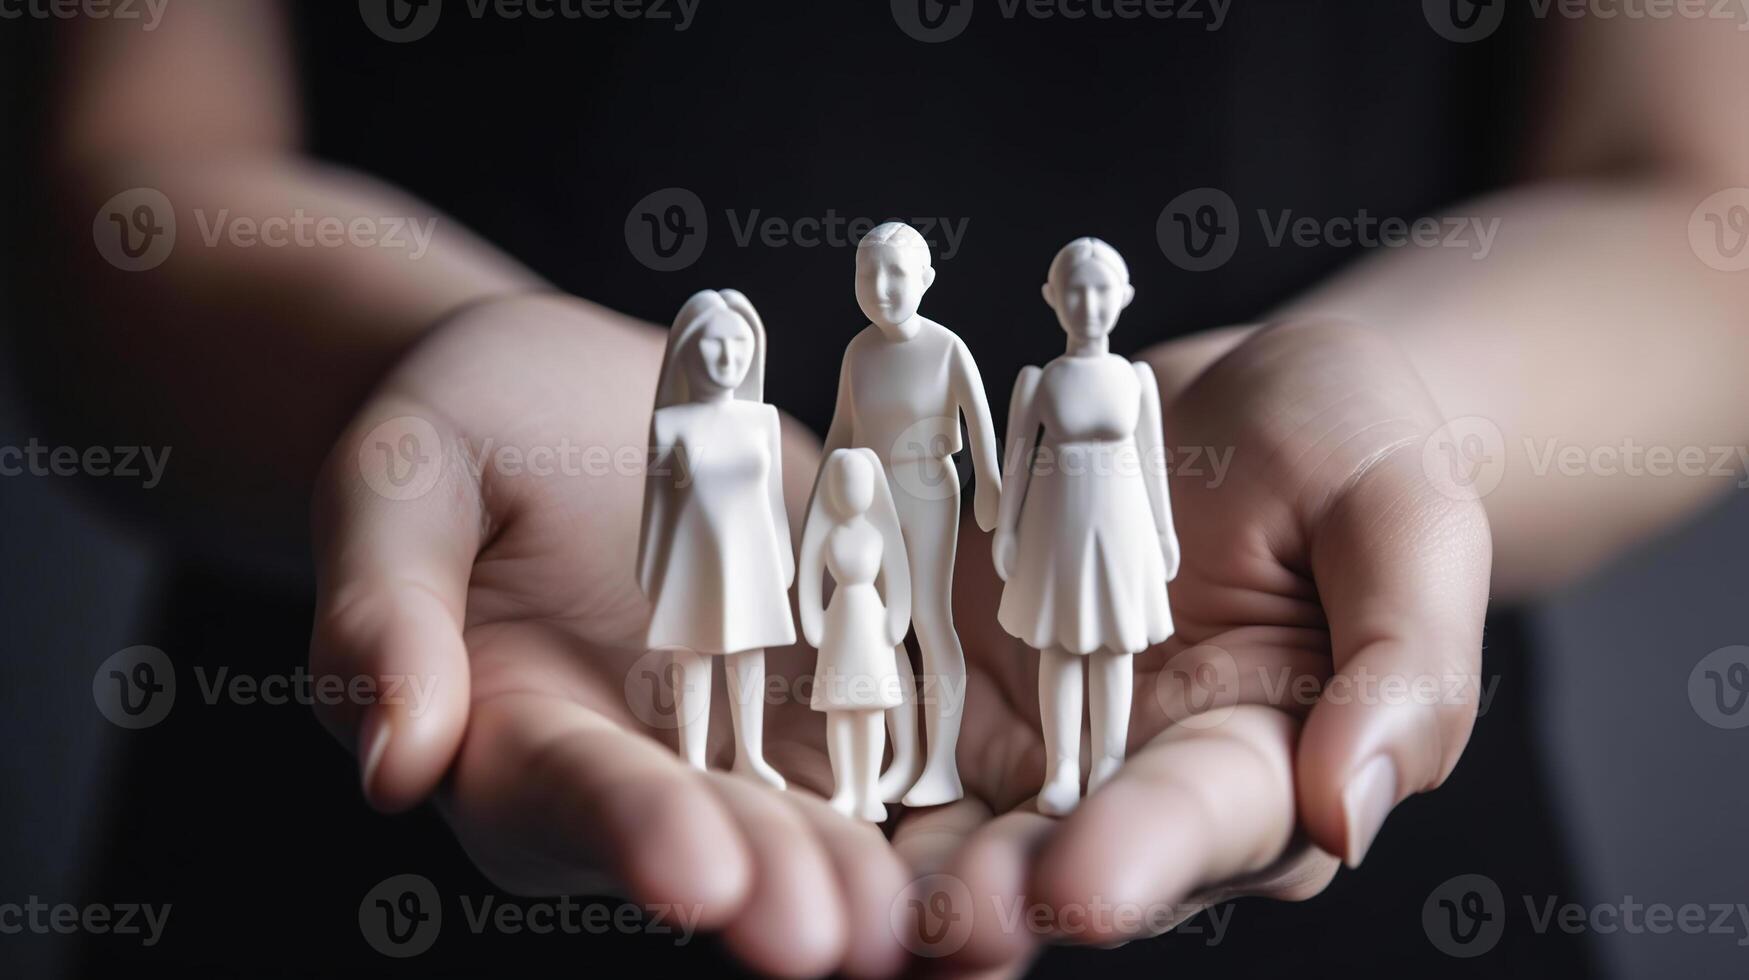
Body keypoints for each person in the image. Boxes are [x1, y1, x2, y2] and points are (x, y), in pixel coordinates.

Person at [18, 3, 1749, 976]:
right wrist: (417, 385)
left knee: (999, 657)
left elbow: (1693, 208)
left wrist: (1405, 418)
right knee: (848, 656)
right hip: (403, 770)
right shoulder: (853, 371)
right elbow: (117, 191)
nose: (942, 302)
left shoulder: (1036, 384)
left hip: (1300, 727)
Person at [818, 221, 1003, 807]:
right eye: (866, 274)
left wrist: (993, 487)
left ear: (924, 280)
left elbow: (980, 421)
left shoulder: (946, 348)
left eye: (895, 273)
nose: (879, 287)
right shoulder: (858, 351)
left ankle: (941, 764)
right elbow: (842, 433)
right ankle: (903, 759)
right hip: (869, 495)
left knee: (926, 616)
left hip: (928, 489)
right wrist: (818, 504)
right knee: (879, 624)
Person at [994, 238, 1180, 815]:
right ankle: (1060, 770)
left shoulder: (1136, 380)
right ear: (1054, 297)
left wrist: (1164, 530)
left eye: (1101, 290)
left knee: (1115, 645)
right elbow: (1017, 462)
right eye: (1076, 289)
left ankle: (1110, 762)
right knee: (1061, 647)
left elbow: (1153, 461)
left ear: (1122, 297)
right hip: (1057, 529)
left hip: (1123, 527)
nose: (1089, 303)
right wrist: (1006, 529)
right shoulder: (1040, 381)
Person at [639, 289, 793, 789]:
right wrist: (650, 567)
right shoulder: (671, 424)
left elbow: (773, 497)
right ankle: (694, 759)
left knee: (749, 651)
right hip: (692, 555)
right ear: (686, 348)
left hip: (753, 554)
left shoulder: (762, 420)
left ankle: (751, 754)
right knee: (694, 651)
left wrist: (785, 557)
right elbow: (660, 505)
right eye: (713, 344)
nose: (729, 358)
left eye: (739, 344)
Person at [797, 447, 912, 823]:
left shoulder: (878, 532)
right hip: (839, 623)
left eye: (859, 484)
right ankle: (845, 787)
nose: (851, 493)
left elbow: (898, 574)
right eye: (844, 484)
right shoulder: (828, 534)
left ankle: (868, 788)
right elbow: (809, 577)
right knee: (840, 707)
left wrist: (898, 616)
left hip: (871, 624)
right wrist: (812, 618)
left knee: (871, 708)